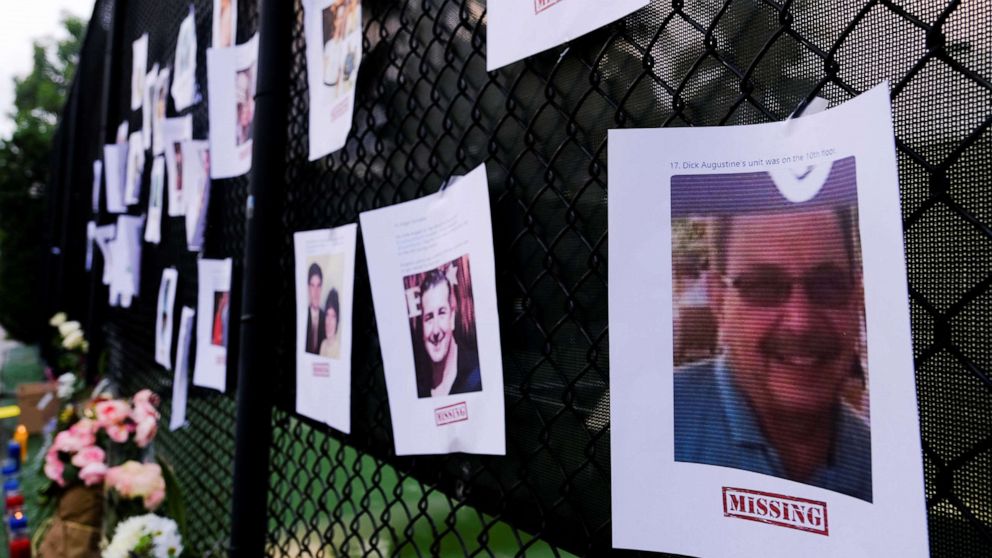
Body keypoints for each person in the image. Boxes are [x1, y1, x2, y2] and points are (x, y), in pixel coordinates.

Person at [674, 206, 872, 502]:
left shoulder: (874, 462)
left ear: (856, 296)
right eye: (762, 285)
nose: (800, 322)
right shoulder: (658, 419)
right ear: (718, 300)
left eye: (828, 285)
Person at [415, 269, 481, 398]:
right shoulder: (416, 388)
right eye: (428, 318)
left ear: (452, 319)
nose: (435, 331)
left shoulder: (478, 374)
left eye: (441, 313)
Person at [305, 263, 325, 355]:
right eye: (312, 286)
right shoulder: (303, 317)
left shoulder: (326, 319)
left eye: (318, 286)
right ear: (308, 288)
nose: (316, 292)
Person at [319, 288, 340, 358]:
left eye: (333, 316)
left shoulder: (339, 349)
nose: (329, 321)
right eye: (327, 315)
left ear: (337, 320)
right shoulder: (323, 344)